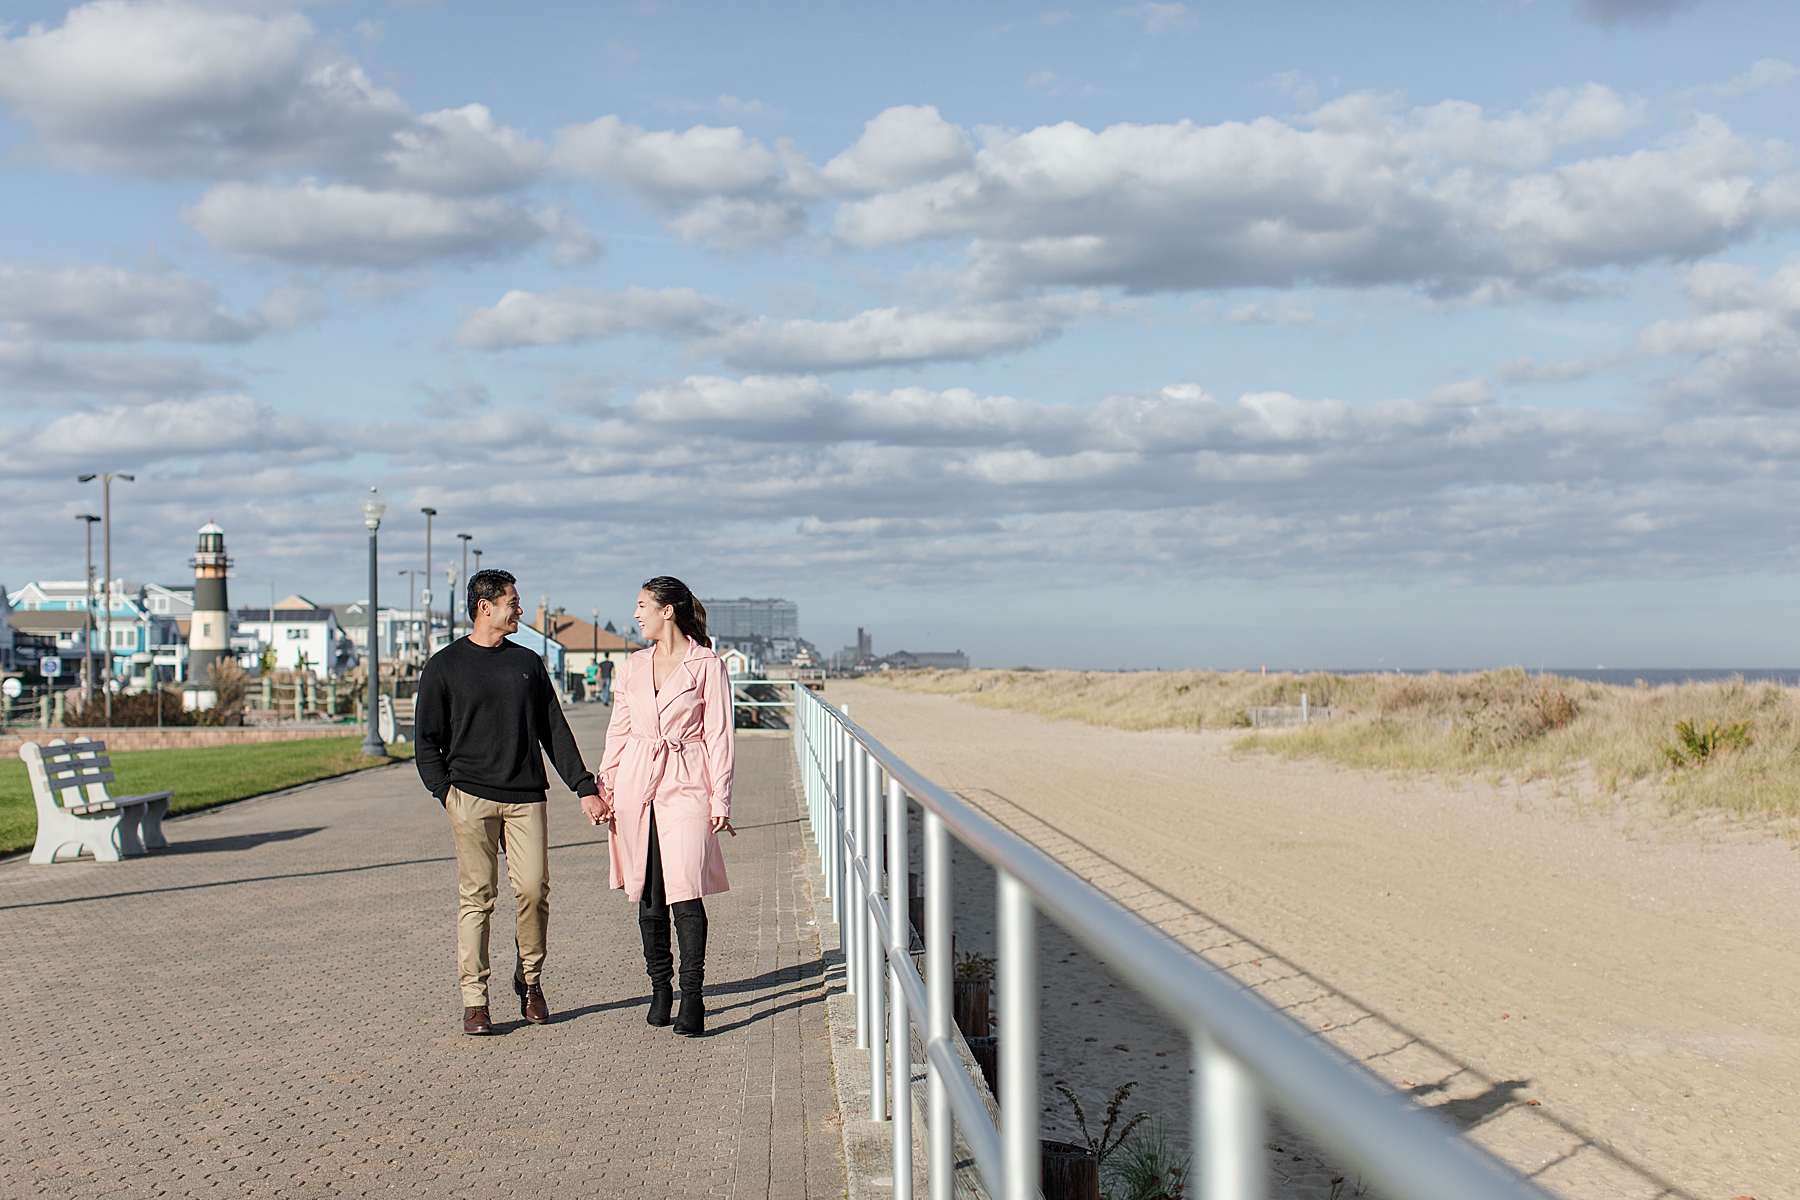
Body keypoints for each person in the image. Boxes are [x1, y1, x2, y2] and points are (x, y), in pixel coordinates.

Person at [415, 568, 600, 1036]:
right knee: (477, 899)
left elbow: (553, 729)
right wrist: (447, 795)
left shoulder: (528, 663)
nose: (519, 609)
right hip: (469, 798)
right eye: (513, 603)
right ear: (486, 607)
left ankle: (530, 980)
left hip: (524, 799)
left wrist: (584, 785)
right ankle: (475, 1000)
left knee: (534, 891)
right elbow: (426, 741)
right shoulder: (444, 666)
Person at [587, 576, 734, 1036]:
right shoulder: (631, 665)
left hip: (688, 779)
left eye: (642, 605)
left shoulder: (707, 664)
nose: (636, 614)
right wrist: (604, 786)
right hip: (635, 781)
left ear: (667, 610)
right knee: (649, 895)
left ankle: (694, 996)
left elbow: (721, 735)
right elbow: (618, 730)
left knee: (685, 890)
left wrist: (721, 797)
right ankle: (660, 987)